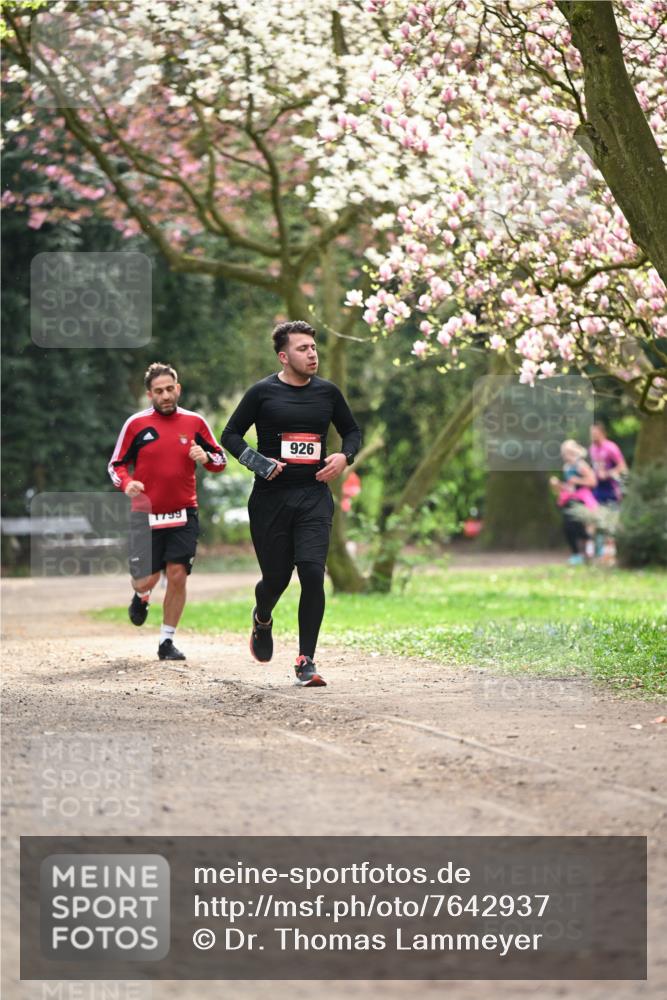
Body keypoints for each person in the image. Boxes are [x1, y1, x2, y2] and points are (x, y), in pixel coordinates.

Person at [221, 321, 361, 687]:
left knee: (313, 573)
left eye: (313, 347)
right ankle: (262, 617)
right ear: (284, 356)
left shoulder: (328, 394)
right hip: (271, 500)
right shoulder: (262, 393)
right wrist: (258, 462)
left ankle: (305, 660)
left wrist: (345, 457)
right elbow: (230, 435)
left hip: (314, 496)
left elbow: (353, 432)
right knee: (276, 579)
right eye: (303, 349)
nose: (312, 353)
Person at [108, 362, 226, 660]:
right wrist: (127, 483)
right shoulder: (136, 425)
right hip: (145, 514)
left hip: (184, 512)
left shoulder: (195, 422)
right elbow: (116, 464)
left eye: (169, 389)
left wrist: (206, 457)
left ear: (178, 388)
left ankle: (166, 641)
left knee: (177, 574)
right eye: (158, 391)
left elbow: (220, 461)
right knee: (146, 578)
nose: (165, 396)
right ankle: (142, 594)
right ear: (150, 394)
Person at [549, 440, 598, 565]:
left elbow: (592, 481)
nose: (565, 456)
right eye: (563, 453)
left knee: (578, 526)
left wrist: (577, 480)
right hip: (569, 499)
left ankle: (590, 546)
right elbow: (568, 486)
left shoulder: (580, 465)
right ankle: (577, 554)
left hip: (581, 499)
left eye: (567, 453)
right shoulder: (566, 467)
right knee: (567, 526)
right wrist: (557, 485)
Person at [589, 422, 627, 505]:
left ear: (602, 433)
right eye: (591, 434)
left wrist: (607, 474)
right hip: (598, 488)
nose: (592, 436)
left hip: (612, 487)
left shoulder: (611, 447)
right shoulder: (592, 448)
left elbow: (623, 466)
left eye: (594, 433)